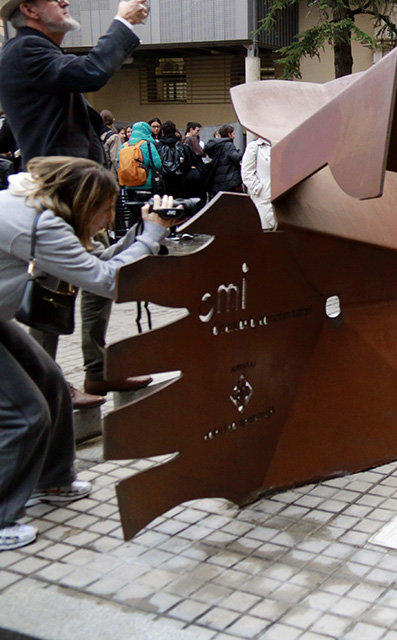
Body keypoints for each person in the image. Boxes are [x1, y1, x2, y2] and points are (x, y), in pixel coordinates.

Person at [0, 156, 177, 550]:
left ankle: (53, 480)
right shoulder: (39, 224)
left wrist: (141, 234)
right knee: (25, 413)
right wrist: (150, 237)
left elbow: (89, 263)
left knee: (50, 383)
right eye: (106, 209)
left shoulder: (32, 207)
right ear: (82, 201)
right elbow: (106, 281)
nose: (108, 217)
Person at [0, 0, 151, 409]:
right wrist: (122, 22)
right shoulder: (25, 51)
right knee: (52, 288)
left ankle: (97, 372)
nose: (66, 1)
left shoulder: (40, 53)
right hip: (56, 194)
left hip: (77, 193)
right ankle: (47, 384)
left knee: (94, 282)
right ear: (29, 9)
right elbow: (94, 72)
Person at [241, 136, 276, 230]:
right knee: (266, 230)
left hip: (283, 200)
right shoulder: (254, 147)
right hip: (264, 198)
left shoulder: (282, 144)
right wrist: (258, 188)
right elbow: (247, 173)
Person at [205, 125, 243, 195]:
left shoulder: (217, 145)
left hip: (218, 181)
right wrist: (240, 151)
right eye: (233, 134)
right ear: (229, 134)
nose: (234, 136)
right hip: (230, 181)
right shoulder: (228, 144)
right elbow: (236, 157)